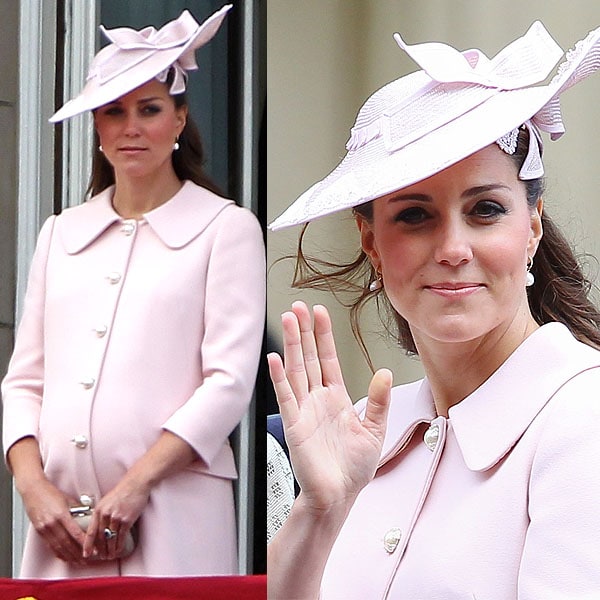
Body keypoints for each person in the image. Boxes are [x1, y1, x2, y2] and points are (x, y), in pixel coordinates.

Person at [267, 21, 600, 599]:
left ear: (533, 226)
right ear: (371, 242)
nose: (452, 250)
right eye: (415, 216)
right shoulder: (364, 434)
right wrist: (321, 511)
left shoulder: (582, 420)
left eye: (486, 209)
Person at [2, 5, 265, 578]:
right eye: (114, 112)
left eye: (149, 109)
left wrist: (137, 482)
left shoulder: (226, 229)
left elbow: (228, 382)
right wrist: (33, 488)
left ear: (179, 119)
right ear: (97, 127)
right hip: (61, 530)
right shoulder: (60, 234)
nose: (131, 127)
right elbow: (24, 381)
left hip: (176, 517)